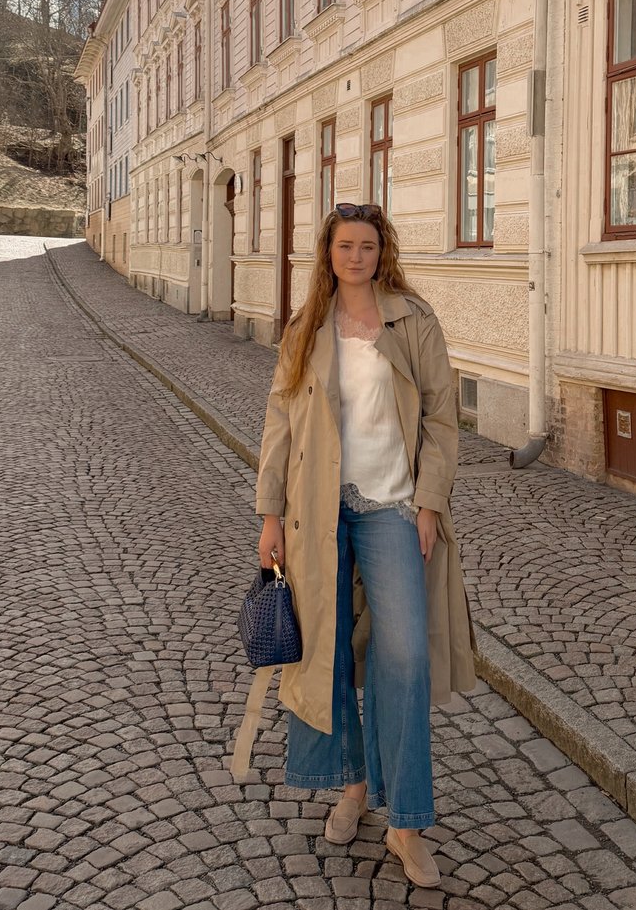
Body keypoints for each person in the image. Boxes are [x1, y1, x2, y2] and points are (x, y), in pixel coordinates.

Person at [255, 202, 476, 888]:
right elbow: (279, 422)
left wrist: (430, 502)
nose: (356, 256)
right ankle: (352, 786)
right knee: (326, 655)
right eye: (345, 245)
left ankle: (405, 822)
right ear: (328, 253)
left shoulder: (413, 321)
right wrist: (269, 515)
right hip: (318, 514)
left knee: (404, 654)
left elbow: (442, 417)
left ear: (383, 253)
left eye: (368, 246)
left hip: (391, 508)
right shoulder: (306, 327)